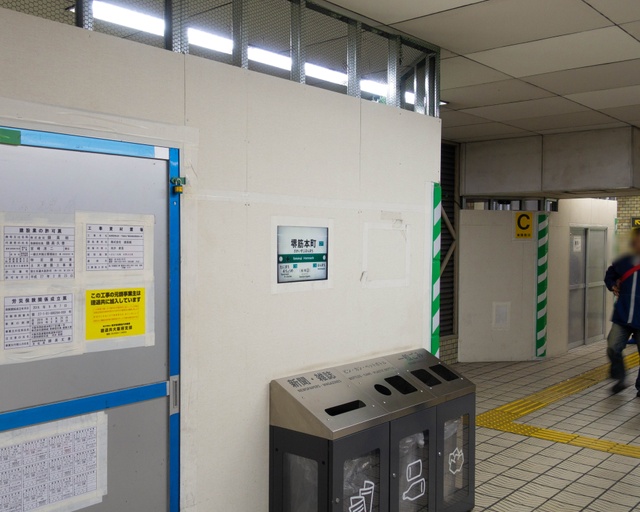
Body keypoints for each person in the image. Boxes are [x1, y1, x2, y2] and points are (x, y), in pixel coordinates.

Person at [605, 228, 640, 394]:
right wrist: (613, 285)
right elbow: (610, 275)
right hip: (623, 316)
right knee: (613, 346)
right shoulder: (624, 261)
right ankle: (620, 377)